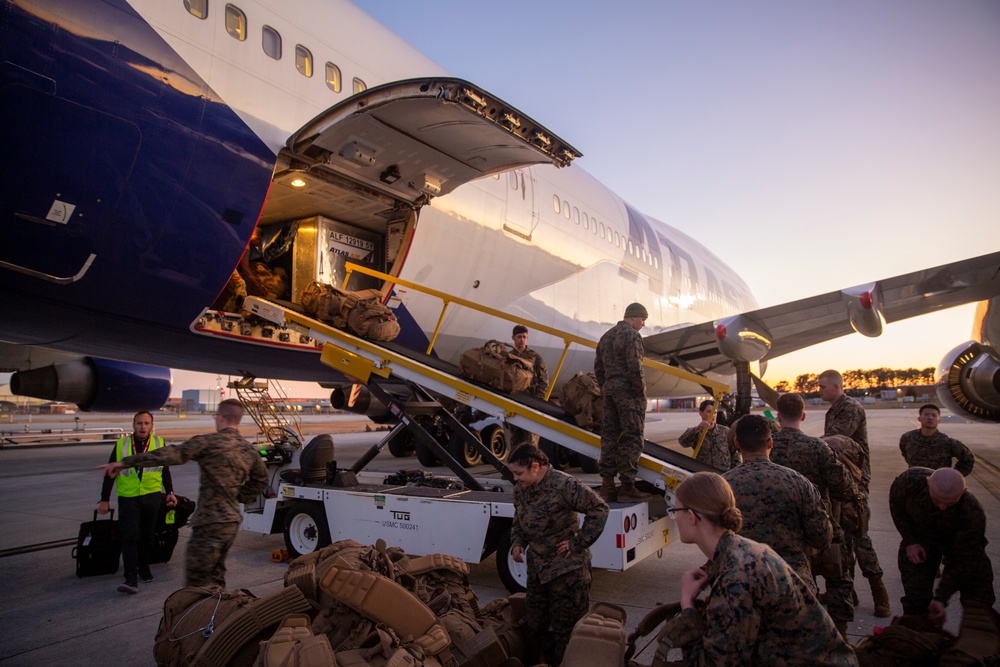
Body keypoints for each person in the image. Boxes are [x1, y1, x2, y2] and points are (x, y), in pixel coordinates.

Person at [668, 472, 858, 666]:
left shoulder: (737, 575)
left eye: (675, 511)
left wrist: (688, 606)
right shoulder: (742, 551)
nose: (674, 518)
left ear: (691, 516)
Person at [97, 399, 268, 588]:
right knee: (217, 576)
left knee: (197, 583)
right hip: (232, 522)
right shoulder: (248, 449)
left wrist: (126, 462)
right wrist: (239, 497)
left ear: (220, 418)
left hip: (209, 522)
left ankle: (199, 614)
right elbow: (261, 480)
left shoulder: (209, 442)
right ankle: (219, 610)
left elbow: (171, 454)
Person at [508, 444, 609, 665]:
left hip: (567, 573)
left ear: (535, 467)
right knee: (536, 628)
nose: (516, 479)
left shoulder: (564, 485)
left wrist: (577, 542)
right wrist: (517, 542)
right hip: (538, 573)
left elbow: (599, 510)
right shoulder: (522, 488)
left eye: (519, 473)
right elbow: (518, 520)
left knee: (568, 634)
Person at [769, 393, 856, 631]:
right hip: (818, 525)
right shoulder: (819, 447)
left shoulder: (768, 446)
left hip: (779, 528)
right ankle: (841, 634)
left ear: (778, 416)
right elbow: (842, 486)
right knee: (839, 576)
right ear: (803, 416)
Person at [722, 414, 832, 598]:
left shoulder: (723, 486)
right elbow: (822, 537)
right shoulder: (798, 482)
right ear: (770, 442)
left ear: (737, 443)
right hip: (792, 585)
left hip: (740, 586)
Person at [819, 369, 891, 617]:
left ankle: (878, 589)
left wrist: (805, 444)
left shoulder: (849, 408)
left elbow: (836, 440)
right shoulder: (836, 407)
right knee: (840, 538)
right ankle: (846, 590)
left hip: (854, 482)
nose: (819, 391)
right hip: (839, 478)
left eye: (823, 387)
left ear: (837, 386)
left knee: (859, 536)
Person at [889, 466, 995, 624]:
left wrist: (941, 598)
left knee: (979, 598)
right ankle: (917, 636)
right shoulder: (909, 482)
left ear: (964, 491)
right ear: (928, 484)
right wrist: (911, 541)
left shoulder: (972, 512)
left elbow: (961, 560)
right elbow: (897, 506)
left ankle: (976, 639)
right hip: (922, 540)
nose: (942, 507)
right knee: (916, 601)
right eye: (937, 499)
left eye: (950, 503)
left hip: (958, 547)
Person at [98, 411, 177, 594]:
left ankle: (144, 567)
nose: (143, 427)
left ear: (152, 425)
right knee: (129, 536)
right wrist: (104, 499)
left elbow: (165, 470)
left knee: (148, 535)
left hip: (152, 496)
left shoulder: (159, 443)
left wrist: (170, 492)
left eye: (146, 423)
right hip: (128, 497)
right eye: (139, 423)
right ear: (133, 425)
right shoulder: (121, 444)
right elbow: (111, 473)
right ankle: (130, 577)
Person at [595, 302, 652, 502]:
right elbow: (635, 366)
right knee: (633, 435)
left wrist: (606, 387)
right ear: (634, 317)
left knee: (609, 437)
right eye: (643, 319)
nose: (643, 324)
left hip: (610, 391)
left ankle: (608, 486)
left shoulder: (606, 336)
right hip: (628, 392)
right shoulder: (632, 336)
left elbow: (598, 368)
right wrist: (640, 393)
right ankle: (627, 486)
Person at [899, 403, 975, 475]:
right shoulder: (908, 438)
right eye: (926, 414)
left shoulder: (947, 443)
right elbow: (905, 453)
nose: (930, 418)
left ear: (939, 420)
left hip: (938, 485)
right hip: (914, 484)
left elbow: (968, 459)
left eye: (934, 415)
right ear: (919, 418)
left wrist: (953, 476)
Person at [508, 324, 549, 446]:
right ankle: (516, 464)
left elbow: (544, 380)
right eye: (519, 337)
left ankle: (531, 464)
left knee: (529, 440)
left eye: (524, 337)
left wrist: (538, 401)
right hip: (514, 400)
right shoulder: (508, 356)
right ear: (513, 338)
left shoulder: (534, 357)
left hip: (529, 401)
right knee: (515, 439)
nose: (522, 340)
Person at [678, 399, 740, 470]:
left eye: (715, 413)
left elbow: (735, 454)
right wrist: (697, 428)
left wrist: (733, 472)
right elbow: (683, 442)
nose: (713, 415)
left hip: (722, 474)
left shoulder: (725, 431)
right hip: (703, 473)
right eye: (709, 412)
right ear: (701, 413)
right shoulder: (696, 432)